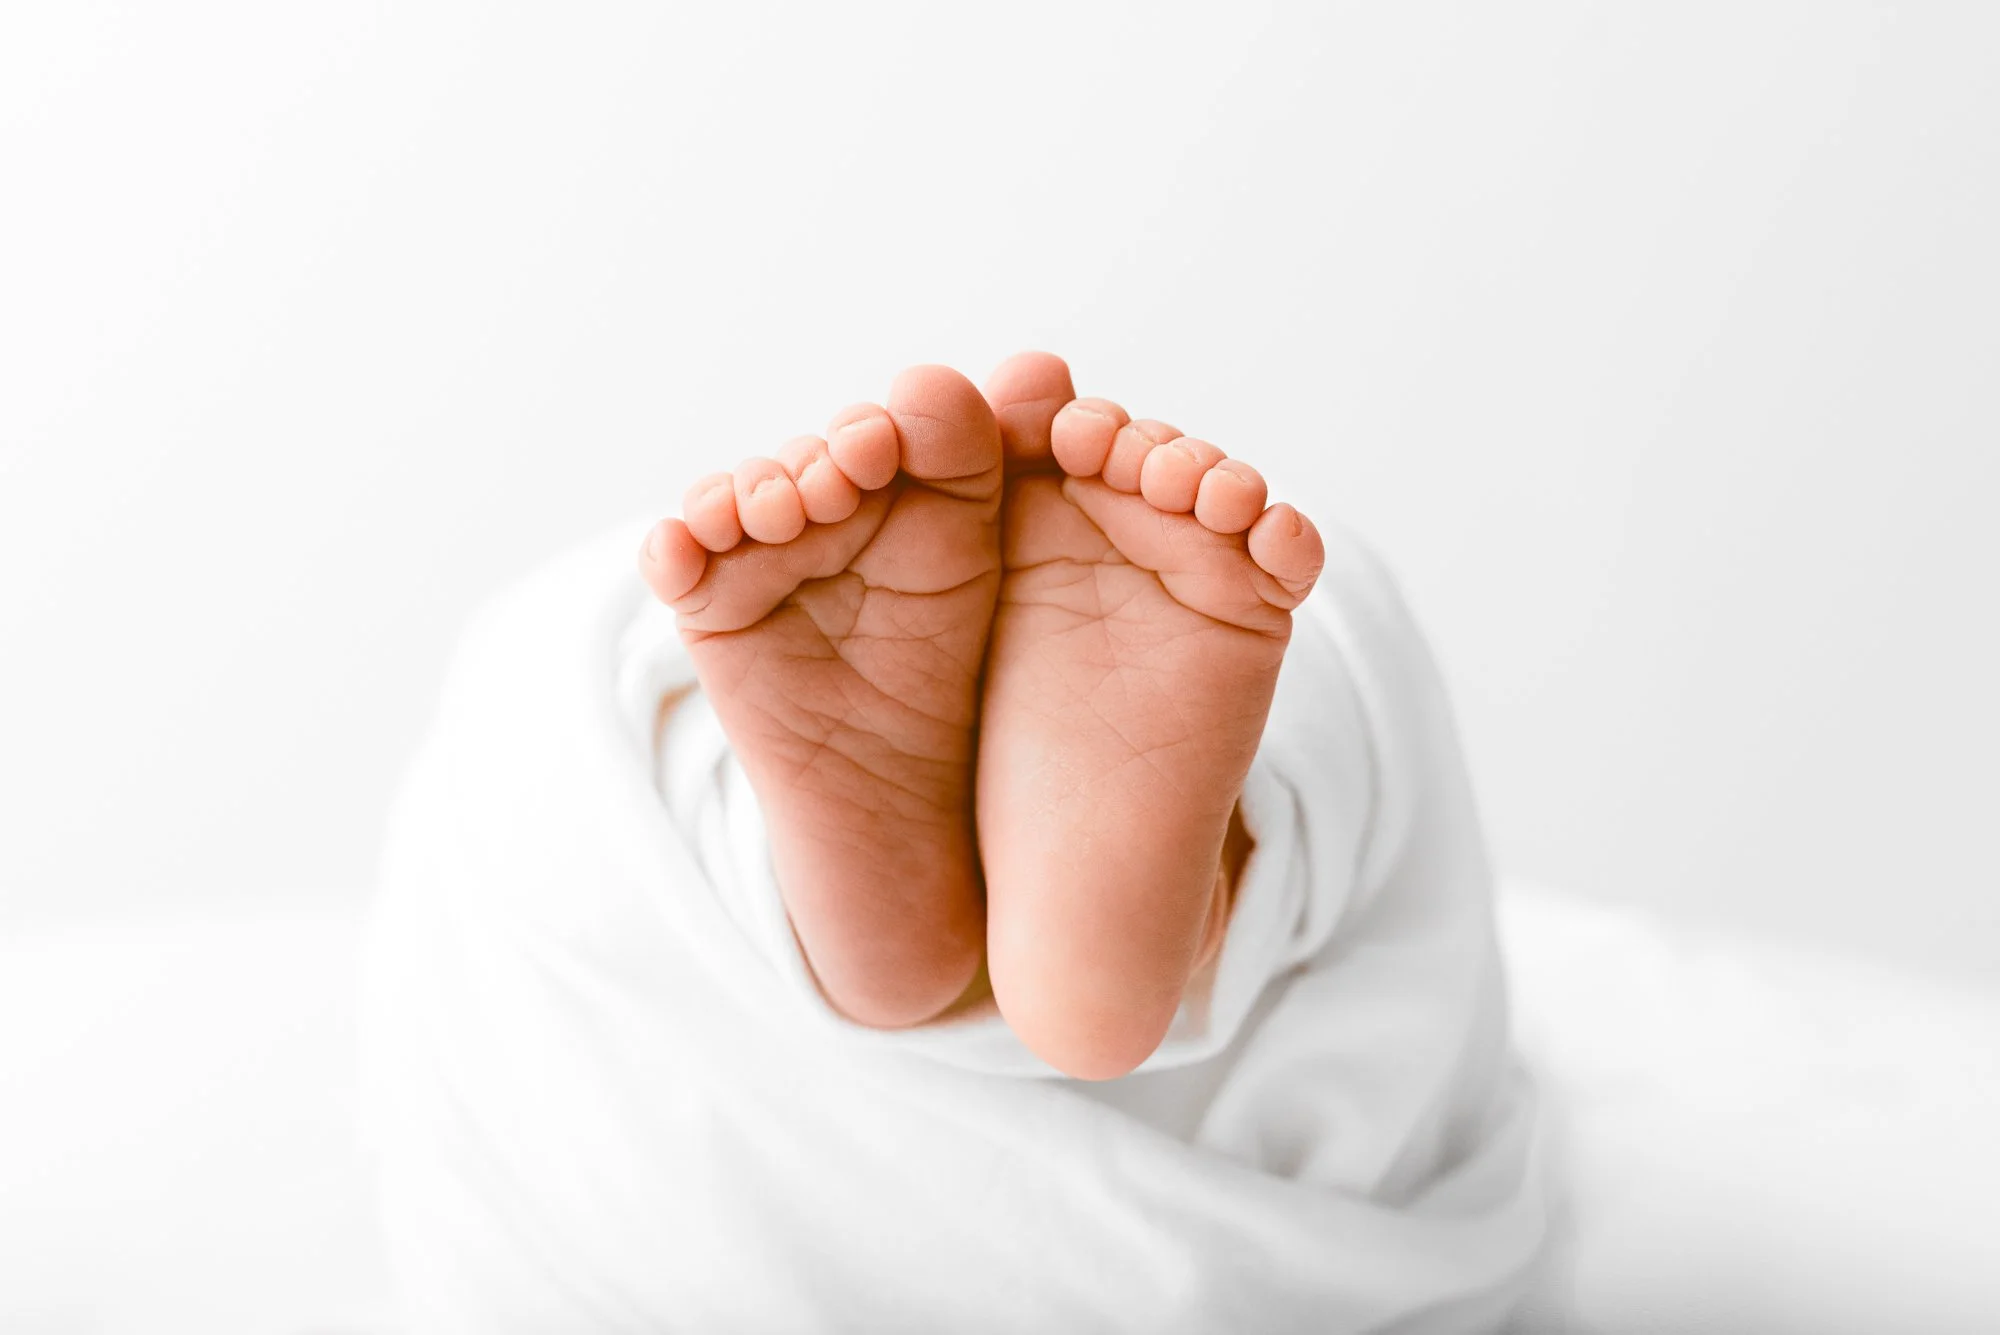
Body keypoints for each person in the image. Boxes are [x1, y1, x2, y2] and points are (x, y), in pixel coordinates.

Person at [362, 353, 1547, 1331]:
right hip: (1280, 1251)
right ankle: (1196, 907)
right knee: (1340, 668)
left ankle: (791, 883)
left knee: (549, 697)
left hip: (697, 1220)